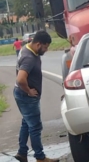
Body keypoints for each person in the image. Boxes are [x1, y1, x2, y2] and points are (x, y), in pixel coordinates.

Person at [13, 30, 59, 162]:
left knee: (26, 123)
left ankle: (22, 152)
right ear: (38, 44)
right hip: (27, 97)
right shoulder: (29, 58)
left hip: (20, 94)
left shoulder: (27, 49)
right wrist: (29, 91)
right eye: (45, 47)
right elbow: (21, 79)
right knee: (35, 127)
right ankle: (40, 157)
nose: (46, 50)